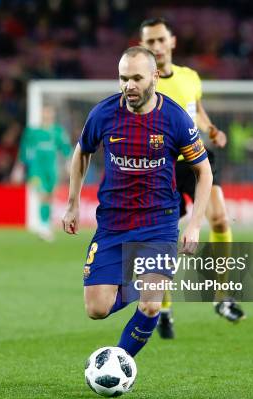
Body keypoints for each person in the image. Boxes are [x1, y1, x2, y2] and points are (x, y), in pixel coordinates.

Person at [62, 46, 212, 358]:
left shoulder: (175, 118)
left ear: (155, 77)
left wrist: (195, 225)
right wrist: (72, 203)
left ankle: (118, 361)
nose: (129, 85)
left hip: (159, 223)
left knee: (151, 303)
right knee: (97, 309)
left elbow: (204, 171)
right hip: (113, 224)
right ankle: (142, 281)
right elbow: (82, 152)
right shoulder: (103, 114)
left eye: (137, 78)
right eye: (123, 78)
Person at [140, 17, 245, 339]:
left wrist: (211, 128)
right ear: (143, 47)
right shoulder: (143, 83)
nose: (156, 47)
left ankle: (221, 296)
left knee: (221, 219)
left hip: (196, 158)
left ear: (172, 41)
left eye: (160, 40)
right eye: (150, 42)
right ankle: (165, 308)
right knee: (166, 235)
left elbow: (195, 110)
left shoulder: (189, 77)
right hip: (163, 165)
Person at [11, 105, 71, 241]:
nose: (47, 116)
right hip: (36, 170)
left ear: (53, 115)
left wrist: (68, 164)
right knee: (42, 195)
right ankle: (43, 226)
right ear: (42, 114)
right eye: (45, 113)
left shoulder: (58, 131)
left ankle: (46, 224)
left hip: (52, 170)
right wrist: (18, 168)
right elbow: (24, 150)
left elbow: (65, 149)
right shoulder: (32, 132)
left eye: (50, 113)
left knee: (49, 197)